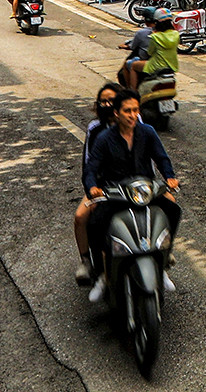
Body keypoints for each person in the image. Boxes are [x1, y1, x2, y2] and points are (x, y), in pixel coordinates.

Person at [78, 89, 179, 301]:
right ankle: (103, 275)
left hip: (145, 190)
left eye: (135, 110)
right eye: (127, 111)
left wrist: (170, 177)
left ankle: (163, 258)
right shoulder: (104, 138)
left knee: (173, 209)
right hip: (115, 192)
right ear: (117, 113)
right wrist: (92, 188)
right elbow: (91, 168)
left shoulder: (148, 132)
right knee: (95, 223)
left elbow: (162, 158)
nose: (132, 115)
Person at [72, 82, 123, 285]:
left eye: (111, 100)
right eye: (103, 101)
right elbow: (88, 165)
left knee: (167, 203)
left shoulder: (134, 121)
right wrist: (92, 191)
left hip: (132, 184)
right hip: (102, 187)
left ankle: (162, 256)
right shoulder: (95, 128)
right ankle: (87, 262)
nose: (107, 104)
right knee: (81, 216)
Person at [119, 8, 179, 93]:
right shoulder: (176, 34)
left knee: (133, 66)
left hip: (156, 65)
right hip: (172, 66)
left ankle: (133, 92)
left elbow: (150, 52)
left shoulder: (155, 37)